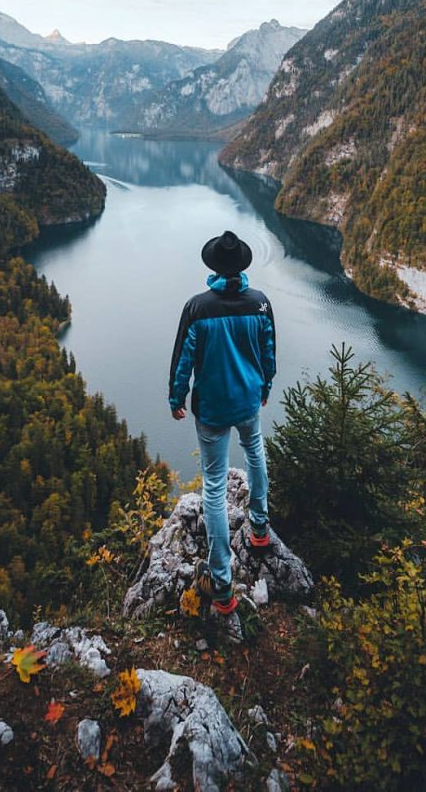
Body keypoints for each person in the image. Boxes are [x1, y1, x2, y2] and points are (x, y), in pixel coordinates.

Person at [169, 229, 276, 614]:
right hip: (248, 399)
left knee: (214, 486)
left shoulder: (198, 308)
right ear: (242, 265)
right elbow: (268, 350)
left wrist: (175, 396)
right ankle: (260, 529)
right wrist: (265, 383)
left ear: (213, 265)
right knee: (255, 452)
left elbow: (183, 357)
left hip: (212, 408)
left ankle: (221, 581)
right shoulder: (260, 304)